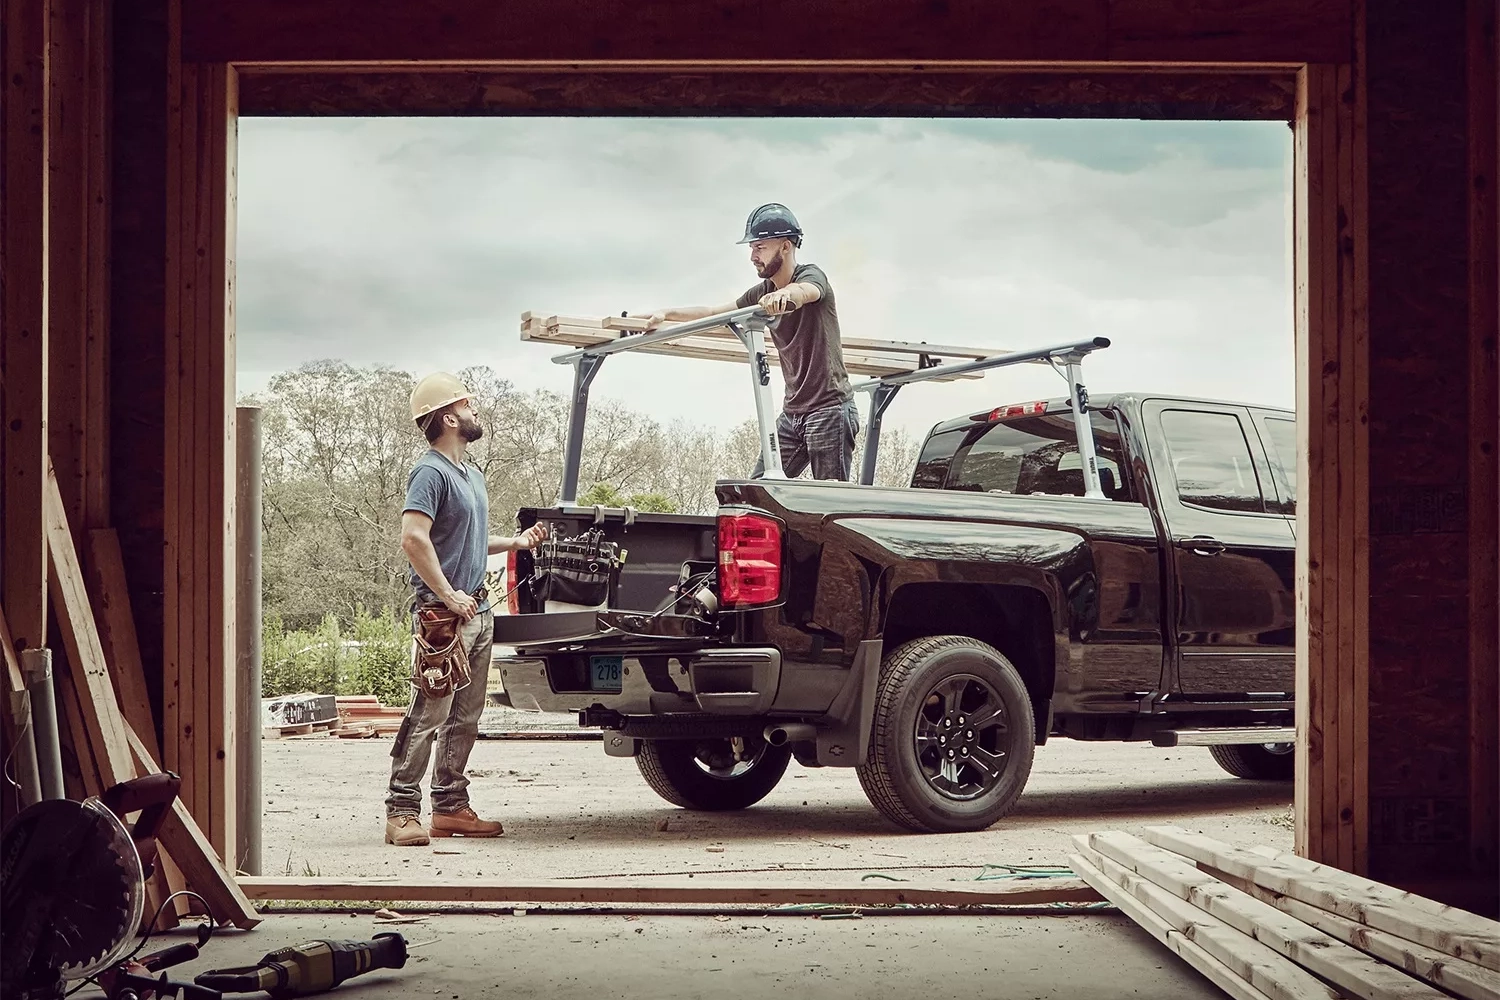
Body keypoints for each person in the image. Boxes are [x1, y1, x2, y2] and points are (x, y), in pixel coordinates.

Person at [384, 371, 547, 847]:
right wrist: (448, 594)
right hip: (442, 612)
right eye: (468, 404)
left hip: (475, 610)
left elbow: (468, 537)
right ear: (449, 416)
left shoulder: (470, 474)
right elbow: (413, 539)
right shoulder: (429, 472)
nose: (475, 410)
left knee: (466, 716)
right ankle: (401, 811)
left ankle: (451, 807)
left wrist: (513, 542)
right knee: (430, 713)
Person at [638, 203, 859, 481]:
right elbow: (714, 312)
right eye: (752, 248)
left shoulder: (810, 275)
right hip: (793, 414)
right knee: (757, 493)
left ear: (786, 247)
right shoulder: (764, 291)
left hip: (829, 409)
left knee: (829, 504)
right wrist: (667, 313)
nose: (753, 256)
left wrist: (787, 294)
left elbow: (806, 291)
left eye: (760, 247)